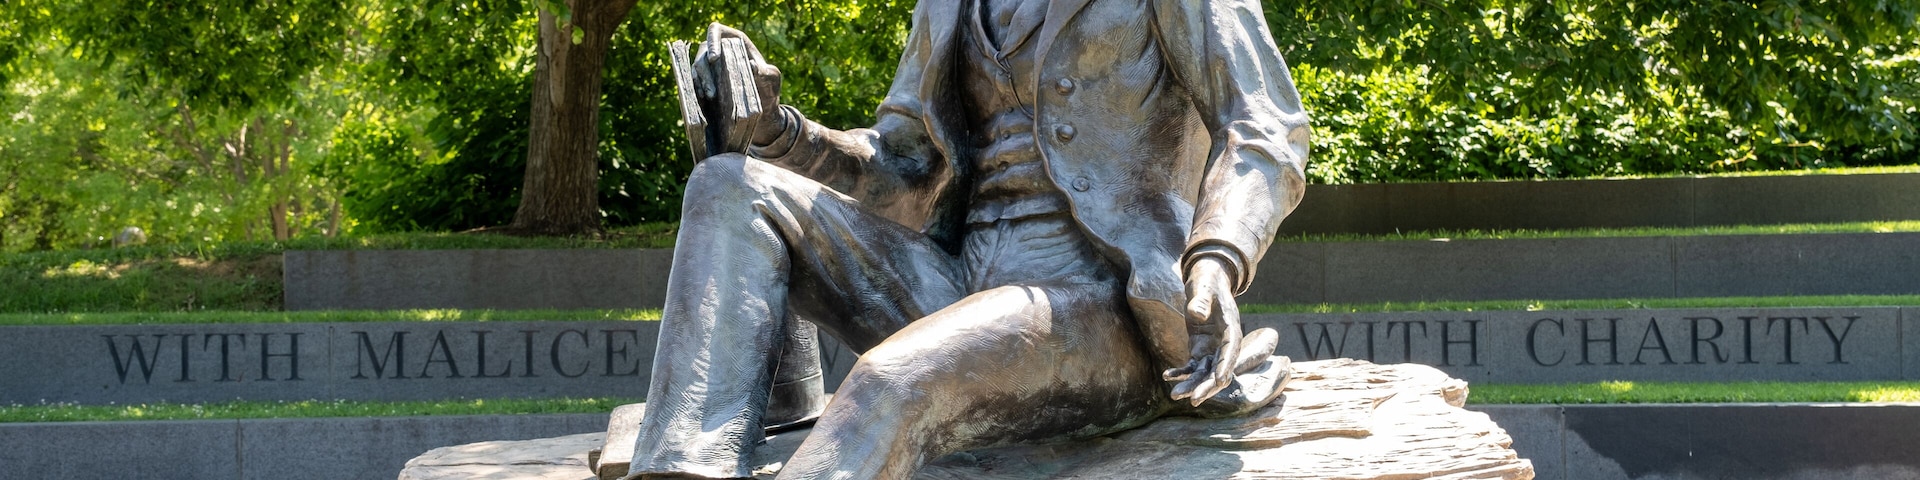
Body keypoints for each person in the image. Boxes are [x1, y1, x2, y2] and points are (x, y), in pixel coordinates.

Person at [629, 0, 1309, 478]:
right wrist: (783, 134)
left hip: (1104, 305)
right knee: (728, 186)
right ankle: (688, 468)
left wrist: (1217, 257)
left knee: (891, 383)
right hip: (954, 284)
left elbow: (1267, 129)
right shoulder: (948, 4)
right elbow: (901, 166)